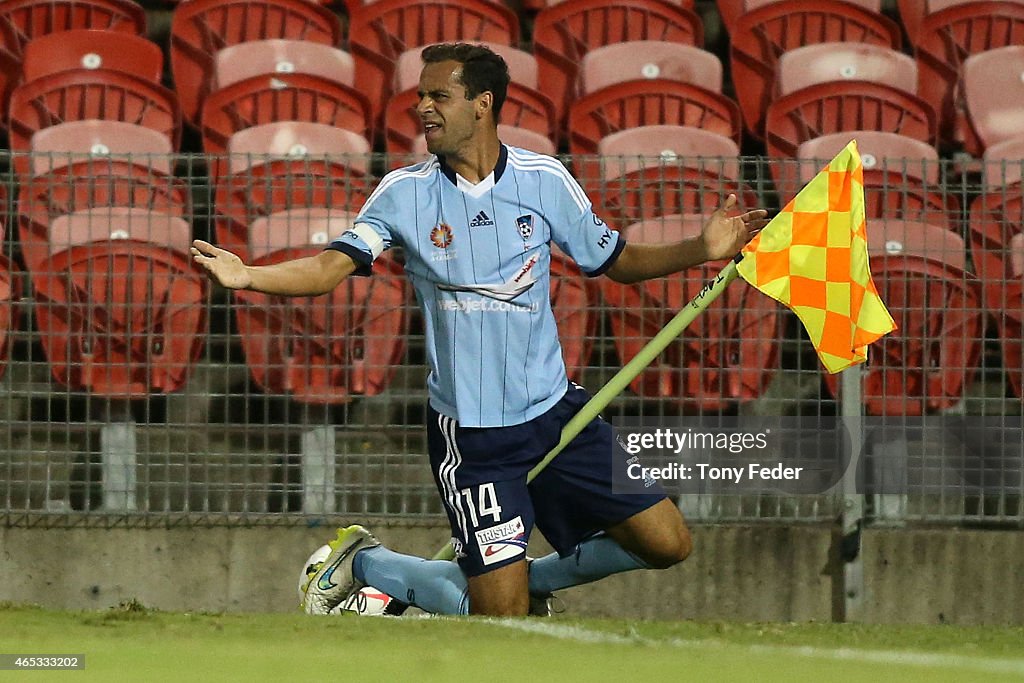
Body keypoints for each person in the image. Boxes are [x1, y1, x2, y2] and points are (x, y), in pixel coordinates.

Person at [191, 42, 768, 617]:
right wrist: (249, 276)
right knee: (500, 623)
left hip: (556, 416)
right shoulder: (403, 194)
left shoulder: (546, 181)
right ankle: (362, 563)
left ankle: (521, 581)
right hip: (475, 439)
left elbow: (614, 261)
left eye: (438, 95)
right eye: (420, 96)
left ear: (482, 104)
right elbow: (326, 269)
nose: (422, 108)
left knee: (668, 542)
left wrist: (702, 248)